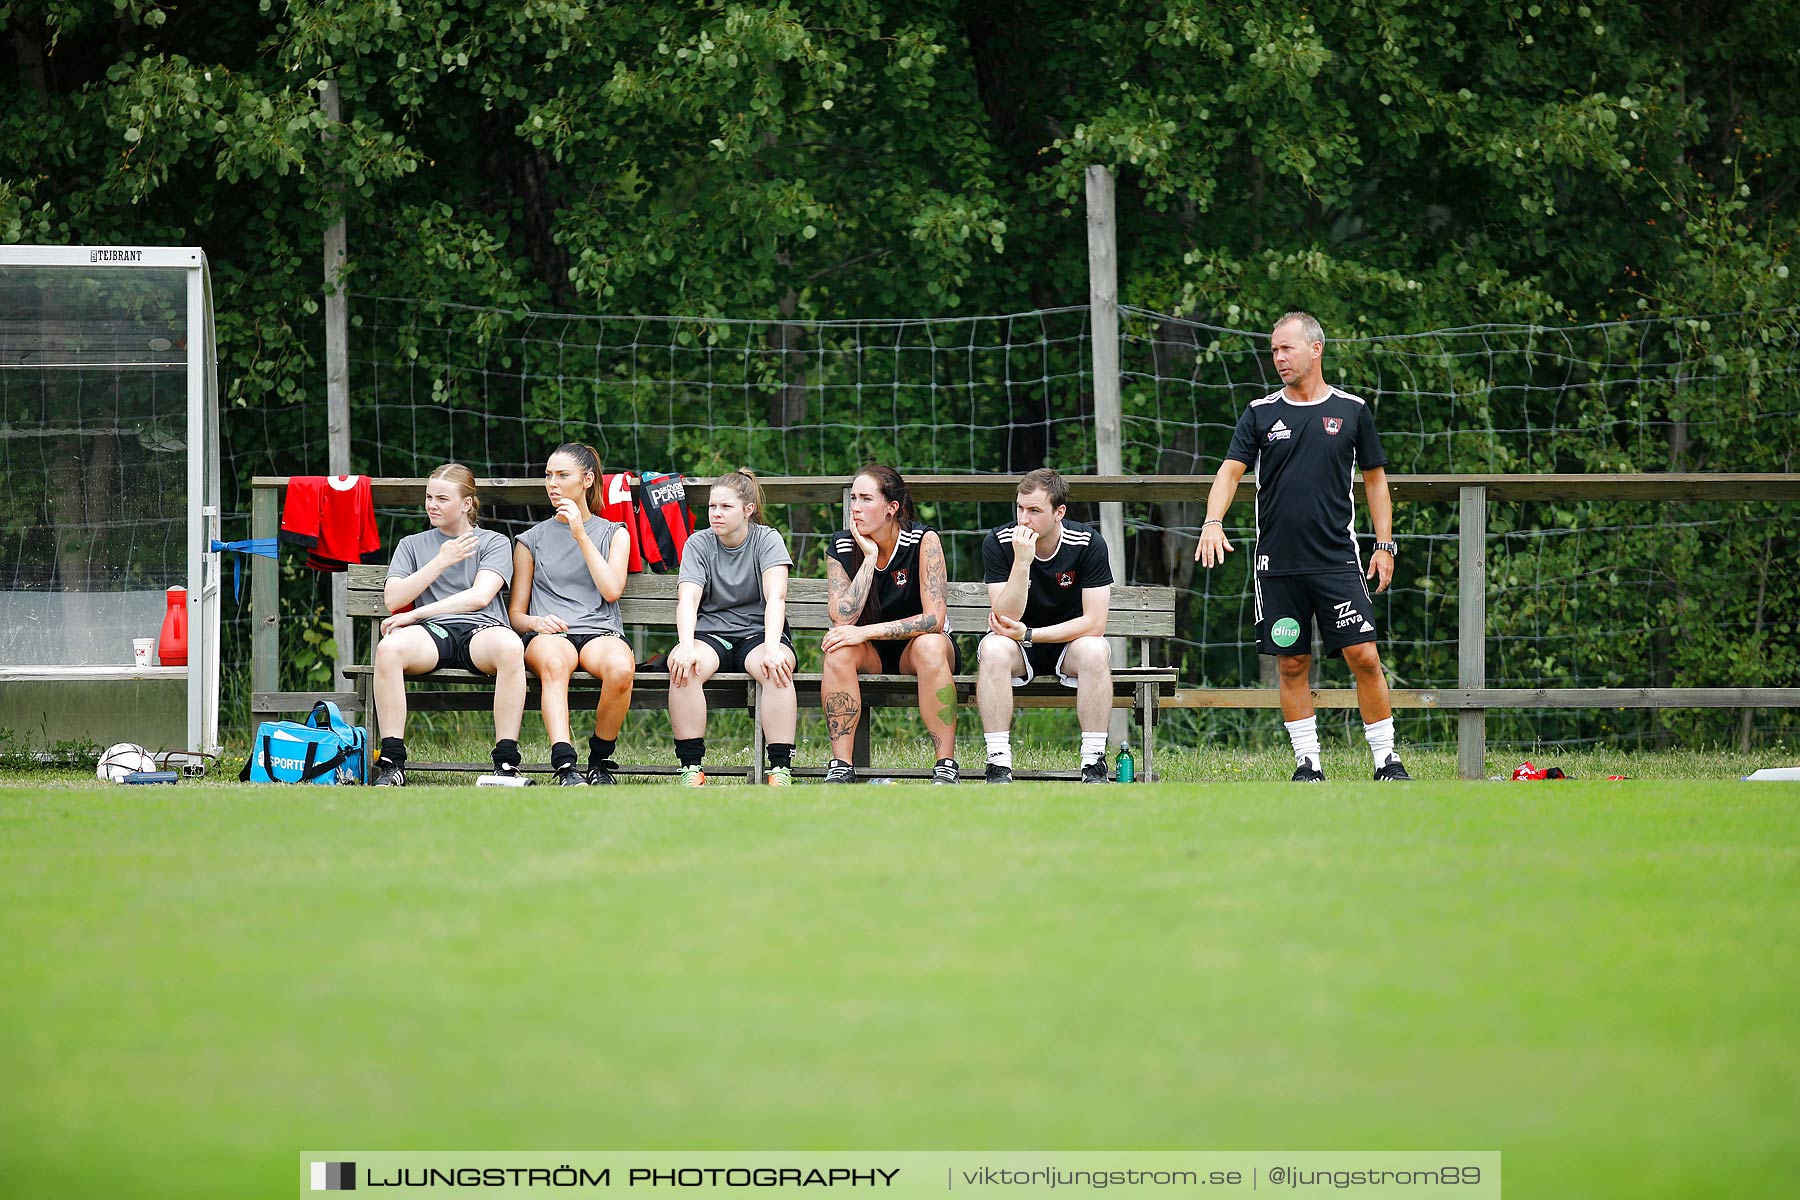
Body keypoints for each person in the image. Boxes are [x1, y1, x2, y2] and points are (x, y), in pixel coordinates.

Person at [1194, 310, 1411, 782]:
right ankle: (1308, 762)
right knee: (1291, 663)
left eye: (1286, 348)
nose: (1277, 358)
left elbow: (1376, 481)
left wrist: (1385, 544)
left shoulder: (1353, 410)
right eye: (1273, 350)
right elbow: (1229, 472)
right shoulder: (1260, 412)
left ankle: (1386, 759)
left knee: (1365, 657)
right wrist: (1213, 522)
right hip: (1277, 567)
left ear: (1316, 349)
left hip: (1337, 561)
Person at [372, 464, 528, 786]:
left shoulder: (494, 542)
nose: (432, 505)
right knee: (388, 649)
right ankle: (392, 763)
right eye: (429, 497)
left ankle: (506, 764)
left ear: (467, 503)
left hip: (481, 630)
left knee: (512, 647)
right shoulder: (412, 545)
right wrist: (441, 560)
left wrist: (415, 614)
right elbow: (393, 598)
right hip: (435, 632)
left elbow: (480, 597)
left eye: (442, 498)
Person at [821, 465, 960, 784]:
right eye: (853, 498)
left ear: (891, 507)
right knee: (839, 649)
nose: (855, 507)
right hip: (869, 652)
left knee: (930, 645)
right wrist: (868, 559)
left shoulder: (923, 540)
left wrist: (865, 631)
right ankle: (841, 766)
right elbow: (843, 617)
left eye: (866, 499)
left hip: (919, 648)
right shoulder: (842, 544)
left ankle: (945, 766)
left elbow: (933, 620)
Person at [509, 443, 637, 786]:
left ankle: (599, 759)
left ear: (587, 480)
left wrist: (579, 532)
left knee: (622, 668)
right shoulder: (530, 540)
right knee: (553, 663)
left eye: (563, 475)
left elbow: (611, 590)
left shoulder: (615, 532)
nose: (553, 483)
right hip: (551, 636)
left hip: (600, 632)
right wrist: (536, 623)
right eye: (549, 475)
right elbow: (516, 615)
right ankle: (565, 764)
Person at [976, 467, 1114, 784]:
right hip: (1014, 645)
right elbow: (1004, 616)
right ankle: (998, 764)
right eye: (1020, 509)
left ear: (1058, 512)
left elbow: (1095, 623)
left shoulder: (1088, 543)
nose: (1024, 519)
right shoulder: (999, 541)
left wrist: (1032, 634)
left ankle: (1094, 764)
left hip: (1069, 645)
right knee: (993, 649)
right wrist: (1022, 561)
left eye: (1035, 511)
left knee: (1096, 651)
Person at [666, 469, 798, 786]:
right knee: (684, 666)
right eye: (712, 506)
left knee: (775, 667)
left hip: (759, 633)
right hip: (712, 635)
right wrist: (684, 647)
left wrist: (771, 649)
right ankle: (691, 768)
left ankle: (780, 769)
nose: (716, 514)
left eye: (726, 507)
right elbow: (687, 600)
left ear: (747, 509)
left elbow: (776, 598)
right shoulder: (698, 544)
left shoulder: (768, 540)